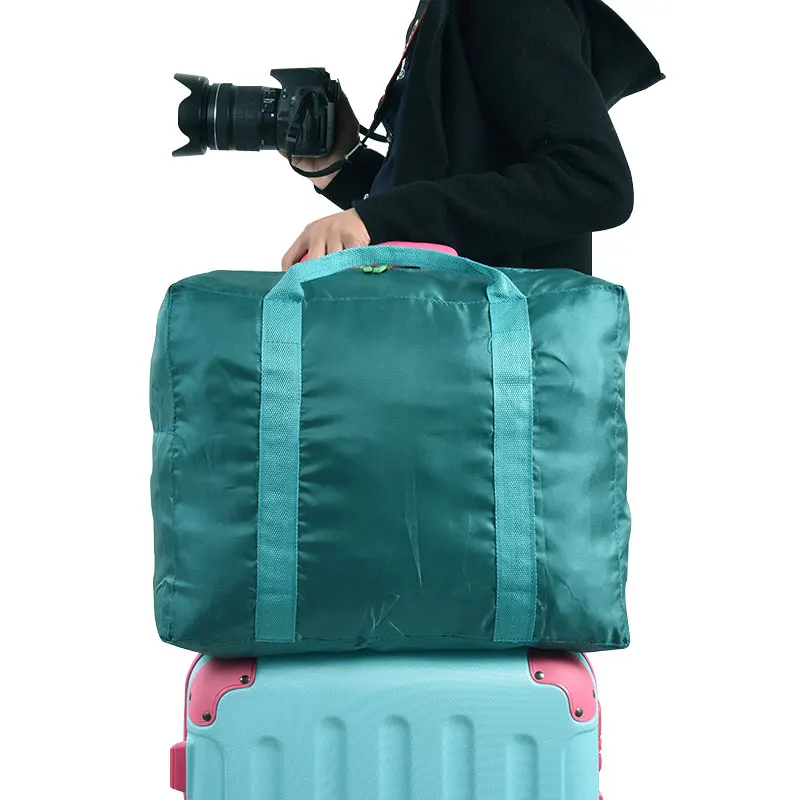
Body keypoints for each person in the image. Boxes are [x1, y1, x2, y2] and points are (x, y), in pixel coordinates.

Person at [281, 0, 663, 273]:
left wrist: (379, 220)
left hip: (494, 350)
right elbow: (444, 195)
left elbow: (594, 182)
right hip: (456, 338)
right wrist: (342, 169)